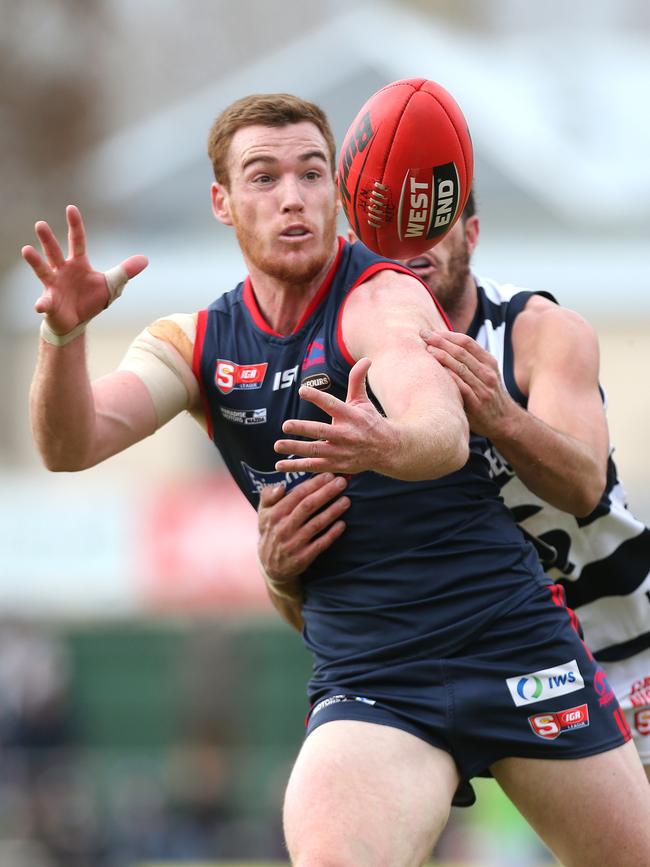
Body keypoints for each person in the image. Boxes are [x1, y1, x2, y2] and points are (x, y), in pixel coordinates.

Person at [23, 93, 650, 866]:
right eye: (264, 177)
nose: (292, 196)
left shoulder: (382, 297)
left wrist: (381, 440)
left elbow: (443, 432)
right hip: (375, 677)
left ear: (339, 194)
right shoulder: (195, 342)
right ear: (221, 201)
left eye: (312, 173)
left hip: (513, 643)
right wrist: (62, 334)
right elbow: (71, 441)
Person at [259, 188, 650, 787]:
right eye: (391, 230)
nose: (411, 246)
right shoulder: (346, 369)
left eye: (432, 225)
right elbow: (341, 605)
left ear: (470, 234)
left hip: (622, 644)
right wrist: (278, 572)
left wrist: (500, 415)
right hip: (477, 665)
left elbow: (584, 486)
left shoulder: (536, 333)